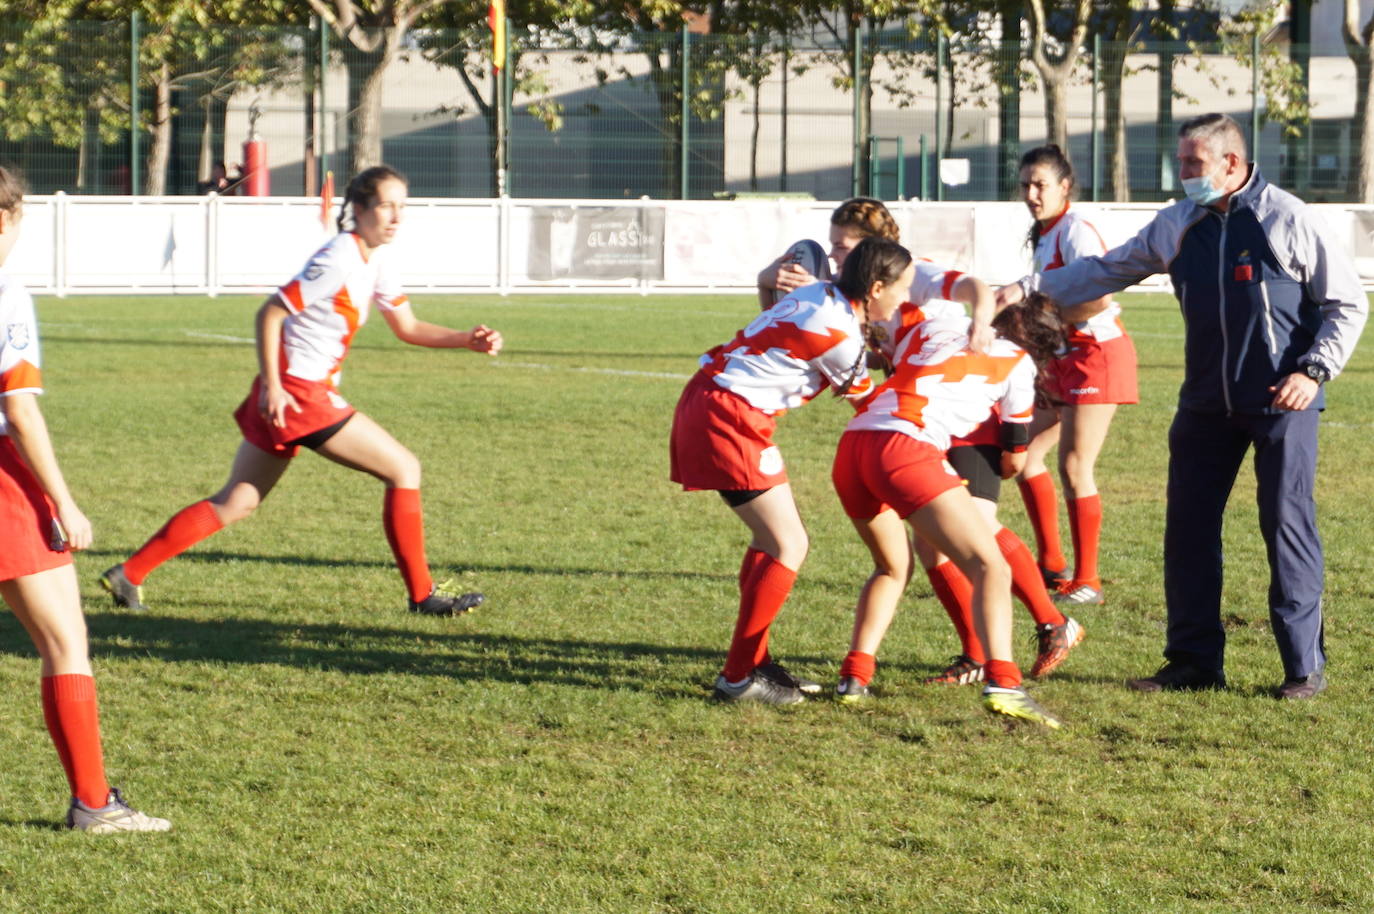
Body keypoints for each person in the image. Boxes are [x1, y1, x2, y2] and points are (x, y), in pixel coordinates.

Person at [998, 113, 1367, 699]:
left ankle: (1303, 669)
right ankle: (1193, 662)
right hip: (1204, 404)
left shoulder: (1287, 217)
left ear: (1230, 162)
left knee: (1285, 524)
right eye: (1182, 161)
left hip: (1282, 400)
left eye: (1193, 163)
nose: (1183, 172)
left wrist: (1313, 370)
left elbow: (1346, 303)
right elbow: (1108, 269)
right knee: (1188, 530)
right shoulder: (1178, 221)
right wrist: (1027, 290)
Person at [100, 166, 503, 616]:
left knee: (238, 500)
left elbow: (406, 326)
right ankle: (422, 596)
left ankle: (128, 573)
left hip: (293, 392)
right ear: (360, 209)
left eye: (402, 207)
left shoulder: (377, 259)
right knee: (404, 468)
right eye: (387, 206)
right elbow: (270, 314)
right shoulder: (338, 258)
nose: (397, 217)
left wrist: (465, 339)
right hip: (298, 394)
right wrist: (273, 387)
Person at [670, 236, 913, 705]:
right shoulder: (840, 333)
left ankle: (753, 663)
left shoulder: (819, 293)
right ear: (877, 288)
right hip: (729, 418)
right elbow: (870, 405)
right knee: (788, 544)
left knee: (773, 541)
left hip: (715, 404)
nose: (904, 298)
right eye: (902, 288)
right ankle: (738, 678)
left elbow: (780, 316)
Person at [0, 165, 170, 832]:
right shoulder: (6, 293)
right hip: (5, 481)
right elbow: (20, 410)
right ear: (6, 218)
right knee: (65, 642)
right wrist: (65, 504)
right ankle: (94, 805)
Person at [830, 295, 1066, 727]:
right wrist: (1009, 464)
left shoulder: (938, 326)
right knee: (990, 567)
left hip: (854, 442)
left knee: (890, 568)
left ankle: (854, 678)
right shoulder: (1018, 361)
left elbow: (896, 345)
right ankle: (1005, 683)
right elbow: (1015, 451)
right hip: (906, 447)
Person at [1012, 145, 1138, 606]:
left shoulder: (1076, 229)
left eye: (1040, 184)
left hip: (1095, 355)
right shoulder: (1046, 233)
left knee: (1074, 466)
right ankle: (1052, 564)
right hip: (1063, 357)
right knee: (1023, 456)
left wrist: (1043, 321)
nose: (1031, 193)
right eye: (1025, 185)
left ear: (1065, 186)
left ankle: (1088, 582)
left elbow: (1099, 297)